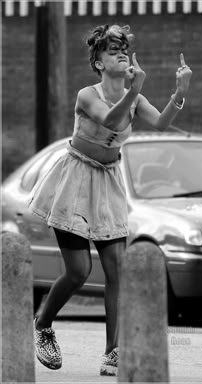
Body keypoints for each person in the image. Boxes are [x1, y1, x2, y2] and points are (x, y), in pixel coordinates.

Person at [28, 24, 192, 376]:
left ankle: (113, 351)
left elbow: (162, 124)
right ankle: (42, 325)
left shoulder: (135, 96)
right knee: (78, 271)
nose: (121, 53)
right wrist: (134, 92)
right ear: (99, 63)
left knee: (116, 270)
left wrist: (180, 92)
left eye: (123, 48)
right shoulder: (88, 95)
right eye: (112, 50)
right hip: (75, 179)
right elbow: (113, 120)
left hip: (109, 181)